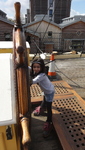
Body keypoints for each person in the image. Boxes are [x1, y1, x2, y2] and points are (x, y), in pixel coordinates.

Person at [30, 58, 55, 137]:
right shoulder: (36, 72)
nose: (36, 69)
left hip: (50, 91)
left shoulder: (42, 75)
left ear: (41, 68)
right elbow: (29, 68)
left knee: (49, 107)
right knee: (44, 98)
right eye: (34, 67)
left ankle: (49, 121)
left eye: (38, 67)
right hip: (46, 90)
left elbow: (33, 81)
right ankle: (41, 107)